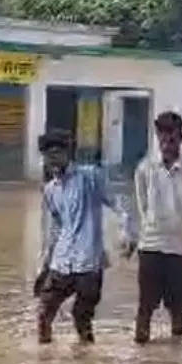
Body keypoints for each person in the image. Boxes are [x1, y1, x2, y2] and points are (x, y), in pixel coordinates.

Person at [34, 129, 136, 344]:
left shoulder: (90, 177)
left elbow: (118, 204)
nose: (52, 159)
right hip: (61, 262)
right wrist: (44, 265)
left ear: (67, 153)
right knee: (44, 313)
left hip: (89, 263)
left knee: (81, 317)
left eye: (56, 153)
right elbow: (55, 228)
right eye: (47, 155)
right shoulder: (50, 190)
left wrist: (127, 232)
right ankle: (44, 363)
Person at [134, 111, 182, 344]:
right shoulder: (145, 168)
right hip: (151, 245)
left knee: (178, 309)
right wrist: (149, 230)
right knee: (145, 307)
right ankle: (141, 355)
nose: (166, 144)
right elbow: (142, 206)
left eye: (171, 139)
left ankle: (177, 357)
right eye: (162, 139)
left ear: (180, 138)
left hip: (180, 247)